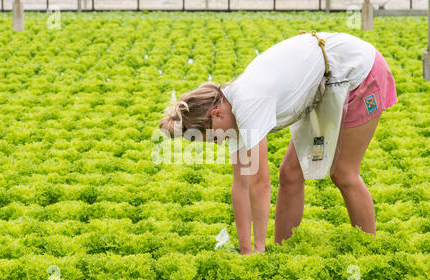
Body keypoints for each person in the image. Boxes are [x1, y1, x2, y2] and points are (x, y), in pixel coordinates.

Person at [159, 32, 397, 255]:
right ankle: (282, 251)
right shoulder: (230, 113)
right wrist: (246, 251)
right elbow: (241, 186)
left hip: (358, 72)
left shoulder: (247, 102)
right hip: (325, 84)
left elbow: (260, 184)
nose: (218, 144)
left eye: (212, 138)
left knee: (343, 173)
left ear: (215, 114)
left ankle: (369, 251)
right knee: (291, 173)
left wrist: (258, 250)